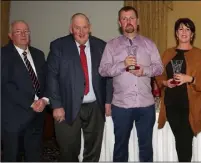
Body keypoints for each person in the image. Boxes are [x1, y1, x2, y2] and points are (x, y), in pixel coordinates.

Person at [98, 6, 163, 162]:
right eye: (124, 18)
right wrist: (122, 64)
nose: (128, 21)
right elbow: (103, 70)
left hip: (146, 105)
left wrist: (144, 70)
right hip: (121, 106)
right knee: (120, 148)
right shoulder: (111, 45)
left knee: (146, 147)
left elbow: (159, 68)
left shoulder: (149, 44)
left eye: (132, 18)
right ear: (120, 22)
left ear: (138, 21)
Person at [46, 13, 113, 161]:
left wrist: (108, 101)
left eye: (84, 27)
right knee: (68, 150)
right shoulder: (58, 46)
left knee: (93, 150)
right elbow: (51, 77)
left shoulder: (101, 46)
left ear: (90, 28)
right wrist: (56, 105)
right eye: (77, 28)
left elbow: (108, 76)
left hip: (95, 106)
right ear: (71, 29)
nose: (81, 32)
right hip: (67, 106)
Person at [155, 18, 201, 162]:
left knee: (184, 142)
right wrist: (165, 82)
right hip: (171, 105)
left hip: (190, 106)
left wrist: (190, 79)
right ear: (176, 33)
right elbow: (159, 74)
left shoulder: (199, 54)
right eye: (180, 29)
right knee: (181, 142)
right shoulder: (167, 53)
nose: (184, 32)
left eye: (188, 29)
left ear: (192, 34)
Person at [1, 20, 49, 161]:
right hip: (14, 117)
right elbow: (5, 85)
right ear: (10, 35)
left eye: (26, 31)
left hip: (37, 116)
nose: (23, 34)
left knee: (34, 155)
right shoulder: (3, 55)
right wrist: (30, 103)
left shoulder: (39, 54)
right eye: (18, 31)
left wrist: (44, 100)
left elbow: (46, 81)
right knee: (12, 156)